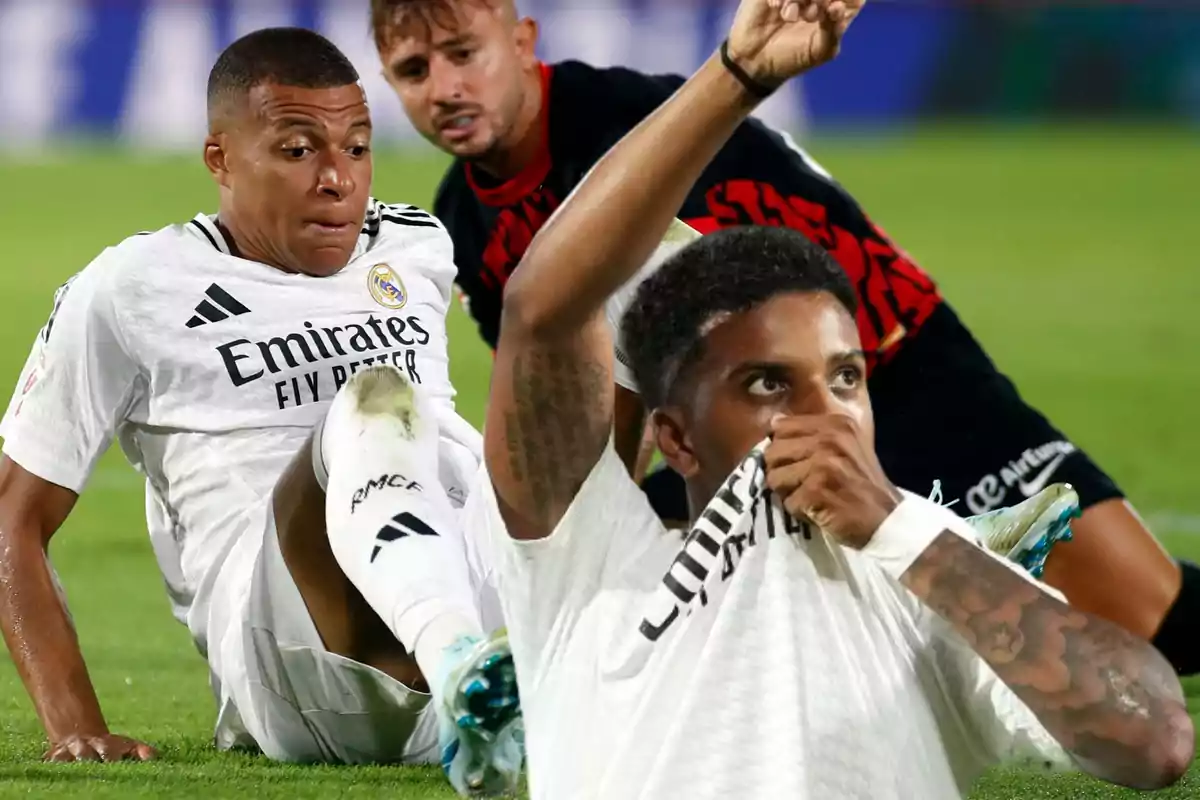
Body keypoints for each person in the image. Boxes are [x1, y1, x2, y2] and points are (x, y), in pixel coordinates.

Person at [460, 1, 1195, 798]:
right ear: (674, 437)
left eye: (846, 377)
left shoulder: (926, 576)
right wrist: (737, 78)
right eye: (768, 384)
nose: (826, 413)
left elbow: (1151, 743)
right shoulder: (592, 566)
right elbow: (543, 310)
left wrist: (913, 536)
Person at [0, 28, 520, 797]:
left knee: (615, 312)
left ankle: (534, 664)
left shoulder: (417, 245)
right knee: (379, 401)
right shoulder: (135, 287)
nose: (338, 179)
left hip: (474, 606)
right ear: (220, 160)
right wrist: (75, 724)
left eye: (357, 146)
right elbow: (14, 513)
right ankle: (465, 667)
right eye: (298, 149)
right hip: (298, 668)